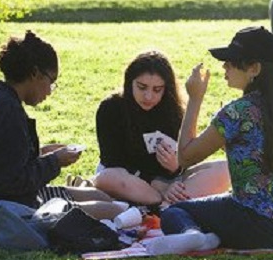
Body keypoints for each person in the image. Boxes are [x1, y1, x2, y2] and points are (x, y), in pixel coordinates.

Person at [158, 26, 273, 251]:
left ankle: (195, 236)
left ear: (254, 68)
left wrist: (195, 99)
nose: (225, 66)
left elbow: (185, 157)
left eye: (232, 61)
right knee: (225, 203)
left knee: (175, 211)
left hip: (259, 226)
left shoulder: (238, 112)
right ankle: (209, 237)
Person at [0, 32, 123, 233]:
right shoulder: (5, 111)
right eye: (50, 82)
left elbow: (1, 160)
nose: (50, 91)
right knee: (110, 210)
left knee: (100, 196)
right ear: (35, 74)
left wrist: (42, 153)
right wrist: (55, 161)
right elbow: (13, 182)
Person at [92, 51, 230, 207]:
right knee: (108, 177)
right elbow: (112, 161)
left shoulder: (172, 111)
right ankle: (165, 205)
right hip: (129, 180)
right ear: (130, 82)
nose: (148, 96)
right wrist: (157, 184)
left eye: (157, 90)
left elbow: (186, 160)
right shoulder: (111, 108)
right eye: (142, 87)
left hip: (168, 181)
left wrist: (176, 166)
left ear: (166, 89)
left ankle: (161, 206)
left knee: (225, 168)